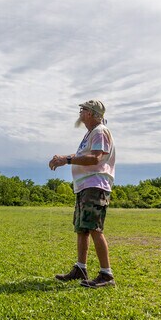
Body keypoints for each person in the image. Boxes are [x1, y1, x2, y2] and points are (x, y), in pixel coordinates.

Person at [49, 100, 116, 288]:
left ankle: (106, 274)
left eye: (83, 109)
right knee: (82, 228)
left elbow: (95, 157)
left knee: (94, 228)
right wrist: (64, 158)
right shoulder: (91, 133)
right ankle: (81, 268)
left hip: (95, 185)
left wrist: (67, 159)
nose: (80, 112)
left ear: (92, 113)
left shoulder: (100, 131)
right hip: (85, 186)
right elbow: (86, 154)